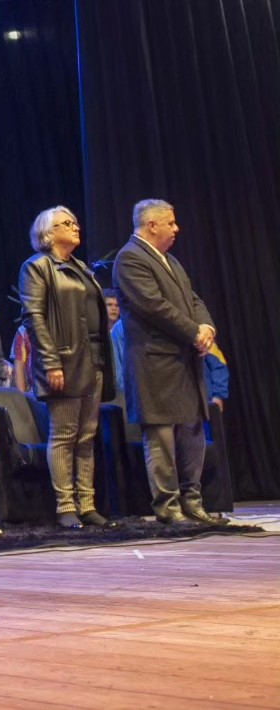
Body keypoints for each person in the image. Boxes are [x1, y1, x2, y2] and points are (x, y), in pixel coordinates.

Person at [113, 199, 224, 525]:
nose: (176, 229)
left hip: (185, 362)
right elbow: (154, 307)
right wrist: (194, 332)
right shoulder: (130, 258)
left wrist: (207, 328)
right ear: (151, 225)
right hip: (154, 363)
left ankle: (193, 504)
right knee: (161, 437)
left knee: (192, 434)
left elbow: (193, 299)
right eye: (171, 223)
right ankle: (169, 508)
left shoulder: (170, 260)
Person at [19, 207, 116, 530]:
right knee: (64, 436)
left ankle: (87, 504)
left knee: (87, 437)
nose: (75, 227)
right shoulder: (38, 267)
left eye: (75, 221)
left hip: (93, 359)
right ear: (47, 233)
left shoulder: (82, 269)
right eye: (66, 223)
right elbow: (34, 317)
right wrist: (50, 362)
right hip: (63, 359)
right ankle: (65, 506)